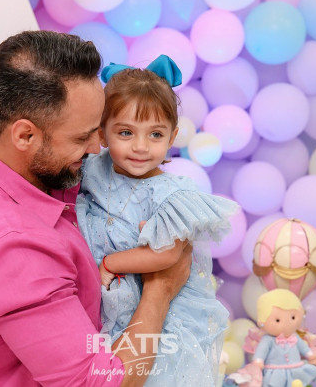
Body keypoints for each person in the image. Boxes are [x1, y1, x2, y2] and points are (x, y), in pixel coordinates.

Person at [0, 30, 192, 387]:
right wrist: (161, 290)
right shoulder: (14, 249)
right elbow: (102, 383)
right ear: (25, 136)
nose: (96, 148)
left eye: (98, 130)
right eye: (81, 137)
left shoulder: (2, 172)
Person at [75, 55, 239, 387]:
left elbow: (167, 254)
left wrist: (110, 263)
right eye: (125, 132)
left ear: (172, 137)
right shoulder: (92, 168)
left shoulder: (171, 194)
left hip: (157, 319)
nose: (140, 147)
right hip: (102, 308)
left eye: (155, 134)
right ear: (102, 133)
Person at [252, 289, 316, 387]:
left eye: (293, 318)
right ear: (261, 321)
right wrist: (258, 361)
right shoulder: (267, 339)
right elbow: (261, 352)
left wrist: (311, 356)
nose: (287, 323)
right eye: (277, 320)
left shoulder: (295, 337)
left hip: (295, 370)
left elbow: (304, 348)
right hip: (275, 373)